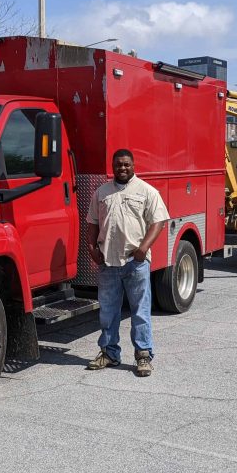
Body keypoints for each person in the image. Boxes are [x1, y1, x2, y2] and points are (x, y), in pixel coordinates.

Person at [85, 149, 169, 377]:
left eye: (126, 164)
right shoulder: (102, 192)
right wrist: (91, 248)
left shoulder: (146, 191)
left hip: (135, 263)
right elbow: (92, 222)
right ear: (112, 167)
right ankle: (109, 353)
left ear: (133, 166)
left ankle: (143, 355)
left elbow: (158, 222)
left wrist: (143, 248)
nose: (122, 168)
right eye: (118, 165)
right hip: (108, 262)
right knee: (108, 312)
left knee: (140, 312)